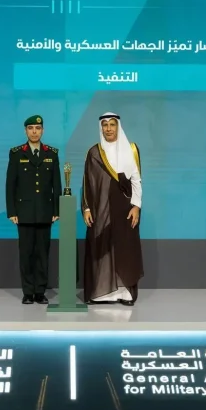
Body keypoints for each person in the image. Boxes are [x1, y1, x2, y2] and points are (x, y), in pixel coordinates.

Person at [81, 112, 144, 306]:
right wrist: (86, 208)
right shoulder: (94, 152)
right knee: (101, 246)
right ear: (101, 127)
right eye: (105, 125)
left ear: (118, 126)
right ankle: (101, 294)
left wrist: (136, 206)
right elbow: (87, 183)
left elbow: (136, 180)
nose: (108, 128)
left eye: (112, 124)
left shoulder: (131, 149)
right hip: (100, 209)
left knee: (124, 248)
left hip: (125, 209)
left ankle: (125, 294)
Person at [6, 115, 61, 304]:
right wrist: (12, 211)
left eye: (38, 128)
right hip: (24, 212)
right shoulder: (16, 153)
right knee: (26, 254)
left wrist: (57, 210)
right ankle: (28, 292)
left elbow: (56, 185)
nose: (34, 132)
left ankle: (40, 292)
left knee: (43, 254)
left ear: (43, 130)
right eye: (31, 128)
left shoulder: (51, 153)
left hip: (45, 211)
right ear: (25, 131)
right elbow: (10, 185)